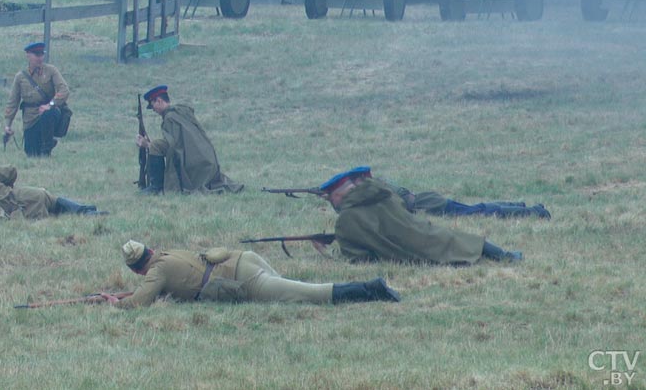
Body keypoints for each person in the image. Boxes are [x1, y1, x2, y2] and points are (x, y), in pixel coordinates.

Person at [99, 240, 401, 308]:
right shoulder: (167, 254)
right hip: (245, 258)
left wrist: (115, 301)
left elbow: (139, 302)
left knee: (309, 294)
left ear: (137, 268)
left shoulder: (156, 271)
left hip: (242, 279)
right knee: (297, 287)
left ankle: (372, 288)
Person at [320, 169, 523, 265]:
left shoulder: (346, 220)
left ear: (337, 195)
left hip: (410, 252)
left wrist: (326, 252)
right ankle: (507, 255)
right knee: (466, 240)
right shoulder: (383, 194)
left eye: (332, 198)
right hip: (424, 230)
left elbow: (359, 258)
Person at [323, 166, 550, 219]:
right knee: (477, 208)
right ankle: (518, 206)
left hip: (430, 205)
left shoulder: (379, 190)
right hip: (429, 201)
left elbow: (399, 206)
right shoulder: (378, 186)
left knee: (478, 211)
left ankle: (533, 212)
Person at [134, 85, 243, 195]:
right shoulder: (181, 112)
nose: (153, 110)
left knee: (155, 145)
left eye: (153, 105)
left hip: (194, 166)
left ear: (159, 101)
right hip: (208, 163)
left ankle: (156, 188)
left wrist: (147, 145)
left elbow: (174, 148)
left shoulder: (170, 118)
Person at [0, 154, 105, 221]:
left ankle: (90, 214)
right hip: (31, 193)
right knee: (60, 206)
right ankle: (91, 213)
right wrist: (7, 188)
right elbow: (11, 170)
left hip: (27, 205)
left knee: (52, 217)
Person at [4, 42, 69, 157]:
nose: (40, 58)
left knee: (48, 114)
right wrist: (8, 125)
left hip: (50, 114)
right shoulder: (20, 77)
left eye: (41, 54)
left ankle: (47, 149)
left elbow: (64, 90)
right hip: (30, 119)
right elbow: (13, 102)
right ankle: (42, 146)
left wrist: (50, 105)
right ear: (28, 55)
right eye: (36, 55)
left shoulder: (51, 71)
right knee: (31, 153)